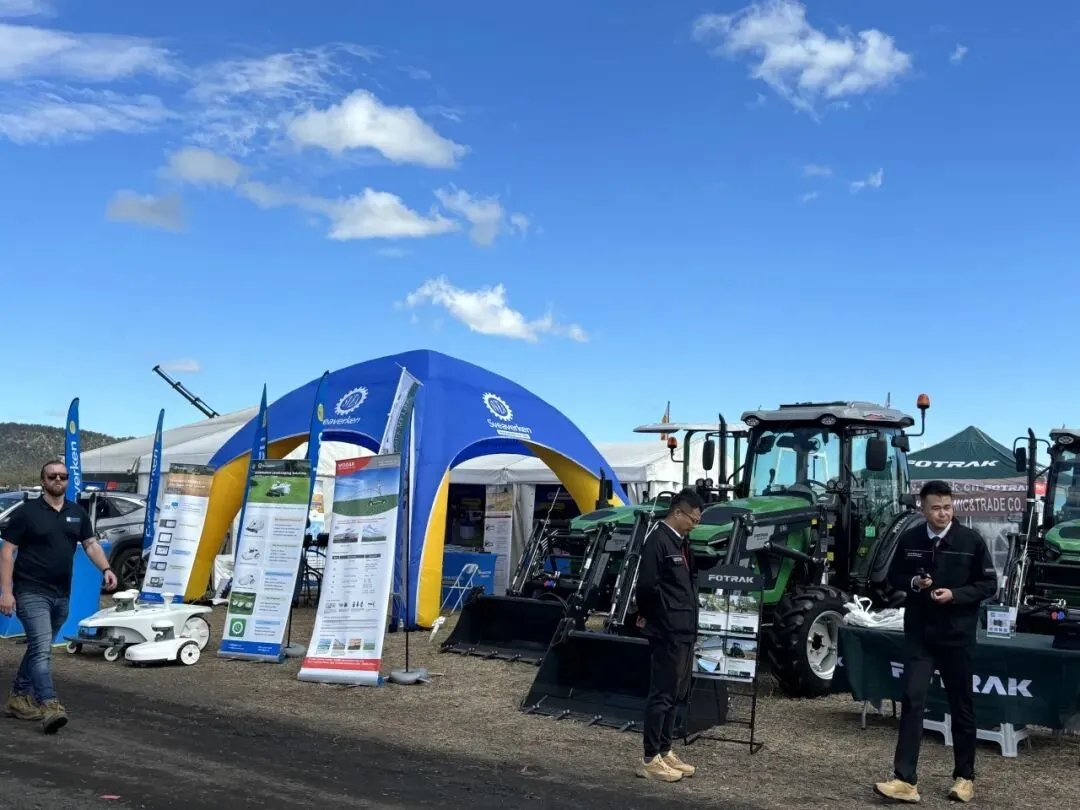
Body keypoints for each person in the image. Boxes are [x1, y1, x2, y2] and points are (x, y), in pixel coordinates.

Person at [874, 480, 998, 804]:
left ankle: (964, 777)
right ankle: (905, 780)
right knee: (913, 699)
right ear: (923, 508)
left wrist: (955, 594)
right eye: (936, 508)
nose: (943, 514)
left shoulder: (971, 541)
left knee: (961, 704)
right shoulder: (910, 539)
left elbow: (989, 584)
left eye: (947, 507)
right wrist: (915, 582)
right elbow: (893, 577)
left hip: (957, 636)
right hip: (920, 635)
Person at [0, 460, 118, 733]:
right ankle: (50, 704)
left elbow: (90, 544)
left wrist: (106, 569)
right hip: (30, 591)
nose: (58, 480)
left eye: (63, 476)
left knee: (38, 648)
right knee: (42, 650)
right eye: (52, 476)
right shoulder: (27, 513)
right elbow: (7, 552)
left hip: (61, 594)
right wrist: (6, 592)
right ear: (43, 480)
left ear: (67, 481)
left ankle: (18, 698)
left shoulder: (77, 513)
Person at [633, 487, 704, 783]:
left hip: (683, 628)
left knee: (675, 694)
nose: (694, 525)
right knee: (662, 694)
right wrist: (658, 616)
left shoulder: (681, 543)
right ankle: (650, 758)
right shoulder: (658, 541)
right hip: (668, 630)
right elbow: (647, 587)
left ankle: (665, 749)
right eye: (693, 520)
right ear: (677, 512)